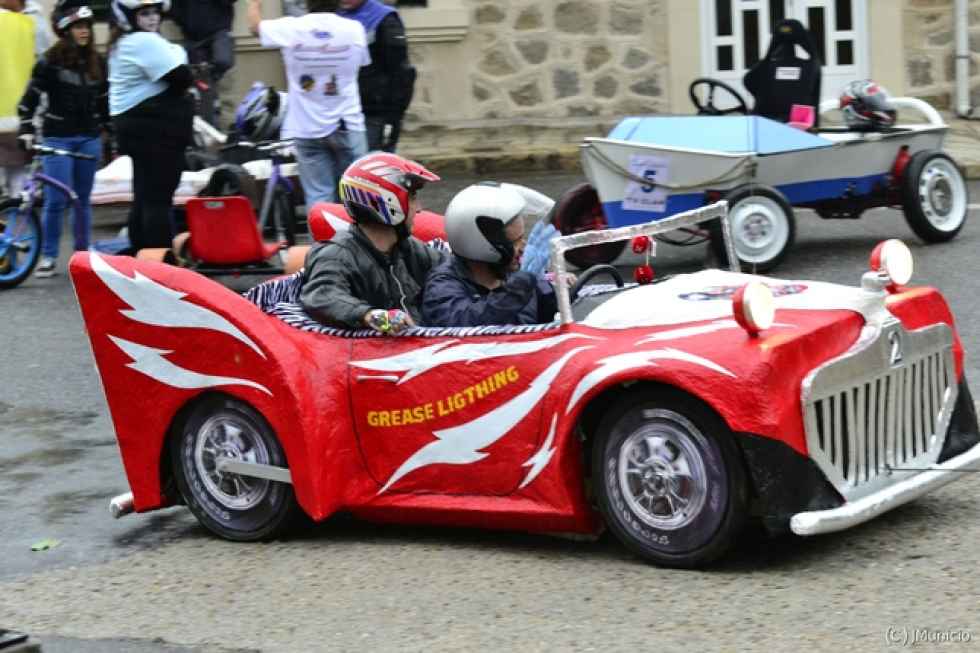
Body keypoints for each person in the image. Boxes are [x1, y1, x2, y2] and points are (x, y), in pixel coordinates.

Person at [300, 152, 445, 333]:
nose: (419, 208)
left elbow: (450, 270)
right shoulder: (337, 254)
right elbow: (322, 295)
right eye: (413, 197)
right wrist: (372, 316)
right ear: (387, 201)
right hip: (377, 355)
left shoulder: (407, 248)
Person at [16, 2, 108, 278]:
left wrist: (110, 133)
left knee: (82, 200)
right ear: (65, 30)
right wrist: (26, 128)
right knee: (56, 200)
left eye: (87, 27)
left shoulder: (98, 63)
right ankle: (48, 255)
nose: (84, 32)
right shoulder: (48, 62)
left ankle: (83, 257)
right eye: (79, 27)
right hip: (58, 139)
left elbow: (104, 104)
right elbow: (28, 101)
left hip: (89, 139)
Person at [247, 0, 369, 205]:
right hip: (348, 124)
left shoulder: (291, 28)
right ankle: (361, 237)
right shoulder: (354, 29)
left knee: (319, 198)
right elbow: (361, 64)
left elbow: (255, 27)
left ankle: (325, 238)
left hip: (306, 127)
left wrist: (254, 3)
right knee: (359, 196)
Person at [108, 0, 194, 253]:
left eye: (156, 12)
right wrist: (179, 56)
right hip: (154, 129)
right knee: (158, 199)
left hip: (138, 127)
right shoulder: (143, 41)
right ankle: (160, 260)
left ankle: (142, 254)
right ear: (128, 18)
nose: (153, 18)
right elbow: (182, 77)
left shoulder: (125, 43)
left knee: (145, 197)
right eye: (144, 13)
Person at [422, 183, 559, 327]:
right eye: (514, 242)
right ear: (481, 244)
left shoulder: (516, 275)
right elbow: (471, 322)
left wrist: (559, 288)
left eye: (522, 238)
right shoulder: (441, 287)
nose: (523, 249)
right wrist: (523, 283)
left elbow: (554, 321)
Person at [337, 0, 415, 153]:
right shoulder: (330, 16)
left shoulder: (384, 18)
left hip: (372, 113)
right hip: (336, 113)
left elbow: (400, 72)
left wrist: (394, 116)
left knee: (369, 171)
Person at [0, 0, 36, 196]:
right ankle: (19, 224)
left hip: (12, 116)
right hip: (22, 117)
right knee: (19, 182)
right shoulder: (30, 23)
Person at [167, 0, 236, 83]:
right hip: (192, 37)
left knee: (223, 61)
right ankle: (208, 83)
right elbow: (174, 9)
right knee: (198, 76)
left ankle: (212, 78)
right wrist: (185, 23)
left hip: (219, 32)